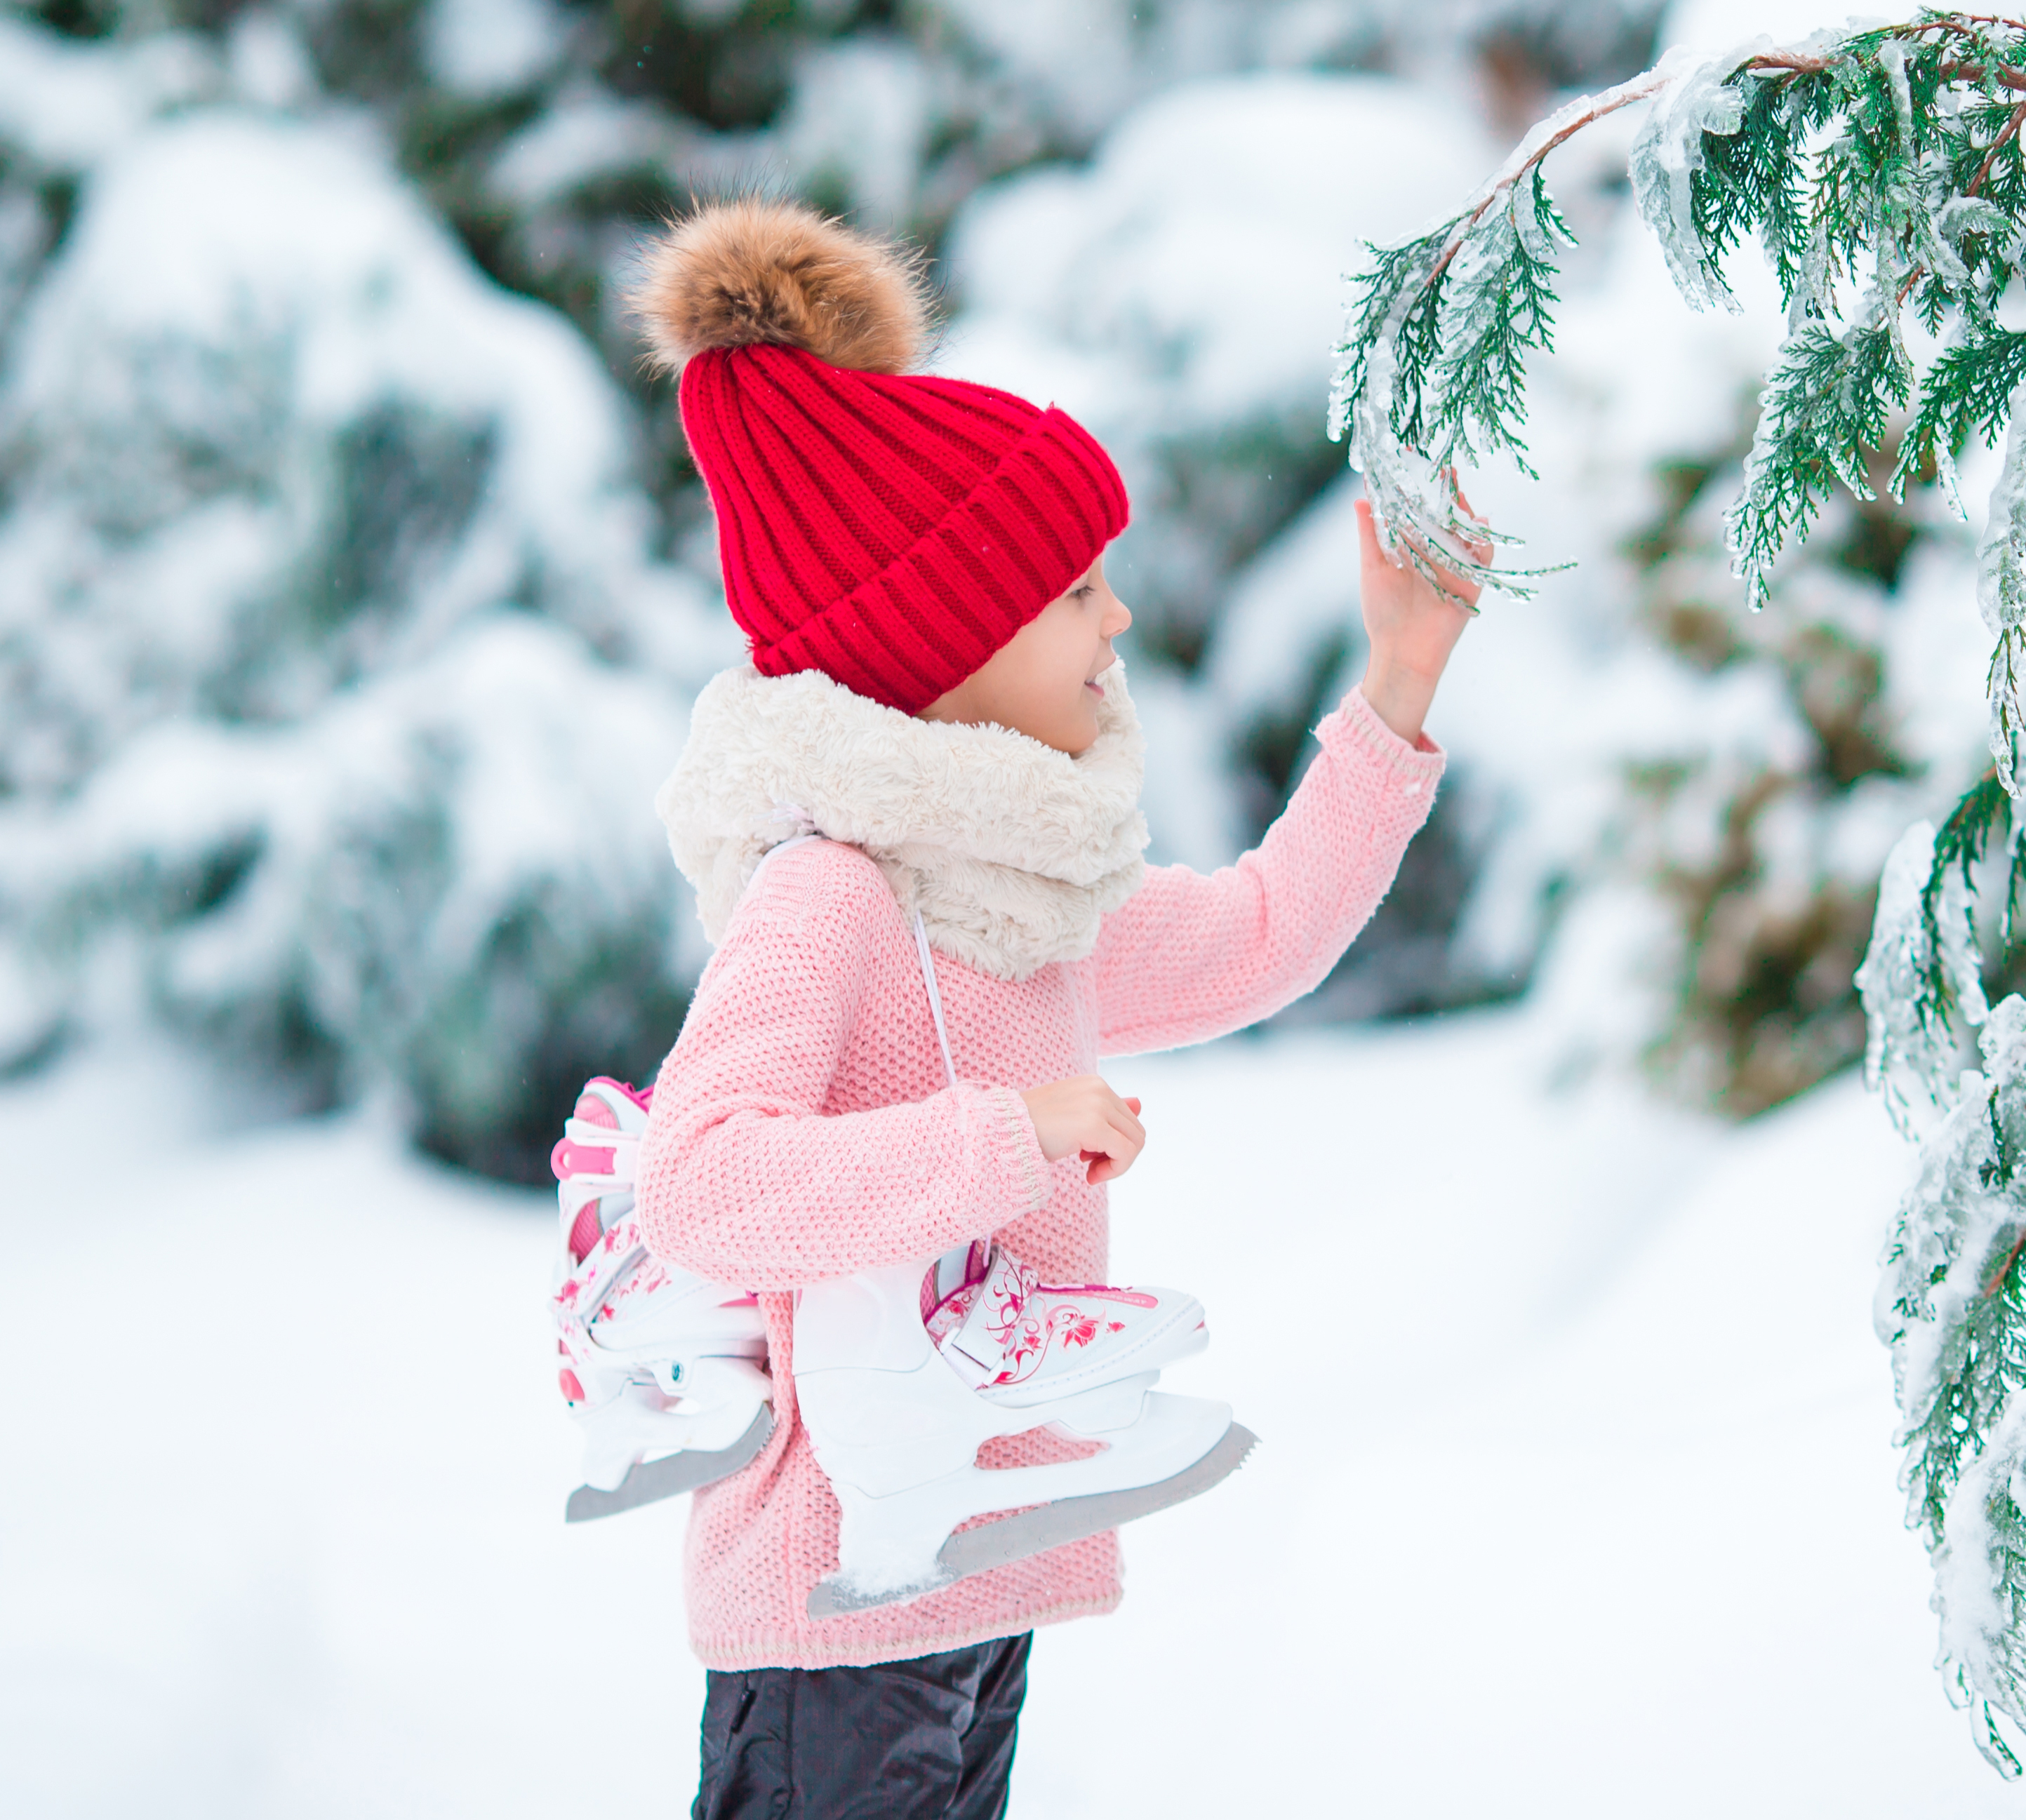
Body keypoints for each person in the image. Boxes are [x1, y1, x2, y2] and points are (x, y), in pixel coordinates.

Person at [622, 199, 1477, 1819]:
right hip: (833, 1602)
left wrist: (1400, 687)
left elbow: (1258, 936)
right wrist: (1003, 1138)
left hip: (968, 1566)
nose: (1118, 620)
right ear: (944, 637)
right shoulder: (837, 896)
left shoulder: (1010, 893)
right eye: (1078, 586)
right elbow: (703, 1181)